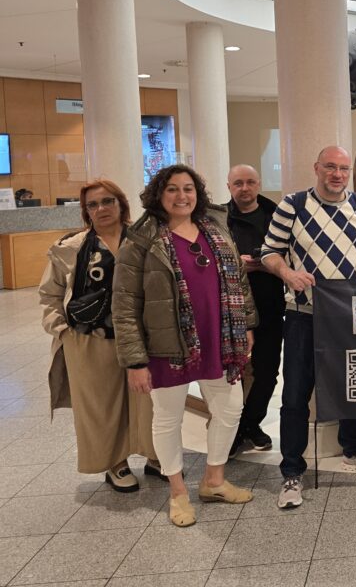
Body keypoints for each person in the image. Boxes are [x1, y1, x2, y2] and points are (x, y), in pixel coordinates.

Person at [113, 165, 257, 527]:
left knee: (230, 409)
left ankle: (214, 481)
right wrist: (135, 361)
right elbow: (124, 304)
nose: (182, 196)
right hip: (166, 344)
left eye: (188, 188)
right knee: (168, 418)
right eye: (173, 189)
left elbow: (239, 280)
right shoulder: (141, 239)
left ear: (198, 193)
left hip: (219, 338)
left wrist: (246, 324)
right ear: (158, 195)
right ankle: (177, 492)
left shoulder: (215, 227)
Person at [261, 146, 356, 510]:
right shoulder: (293, 205)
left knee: (354, 388)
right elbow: (269, 252)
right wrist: (287, 273)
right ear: (316, 168)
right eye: (330, 167)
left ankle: (354, 451)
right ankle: (291, 471)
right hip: (303, 316)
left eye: (343, 169)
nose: (337, 174)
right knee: (295, 395)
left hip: (350, 318)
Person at [40, 180, 161, 493]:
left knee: (149, 401)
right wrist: (62, 330)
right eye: (92, 205)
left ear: (121, 203)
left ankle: (155, 455)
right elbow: (49, 294)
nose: (101, 209)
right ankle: (114, 463)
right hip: (89, 339)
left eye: (108, 201)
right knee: (101, 405)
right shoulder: (71, 247)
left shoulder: (145, 239)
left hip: (141, 337)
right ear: (86, 211)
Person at [225, 164, 285, 458]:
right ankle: (233, 429)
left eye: (250, 182)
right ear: (229, 187)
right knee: (232, 373)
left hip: (270, 304)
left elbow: (290, 256)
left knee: (268, 371)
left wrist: (268, 263)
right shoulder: (219, 220)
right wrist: (237, 265)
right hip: (232, 309)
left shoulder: (276, 216)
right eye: (238, 183)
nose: (245, 188)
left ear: (259, 184)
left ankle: (251, 423)